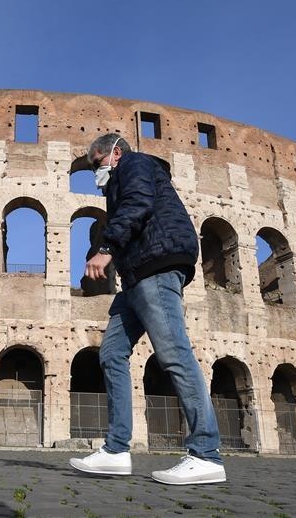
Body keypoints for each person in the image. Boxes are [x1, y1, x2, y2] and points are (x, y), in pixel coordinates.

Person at [69, 134, 226, 485]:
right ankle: (116, 451)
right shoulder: (120, 178)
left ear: (115, 152)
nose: (95, 172)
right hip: (136, 275)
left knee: (174, 354)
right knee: (111, 353)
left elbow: (138, 203)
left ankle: (206, 453)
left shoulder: (135, 164)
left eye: (97, 164)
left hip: (156, 266)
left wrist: (106, 248)